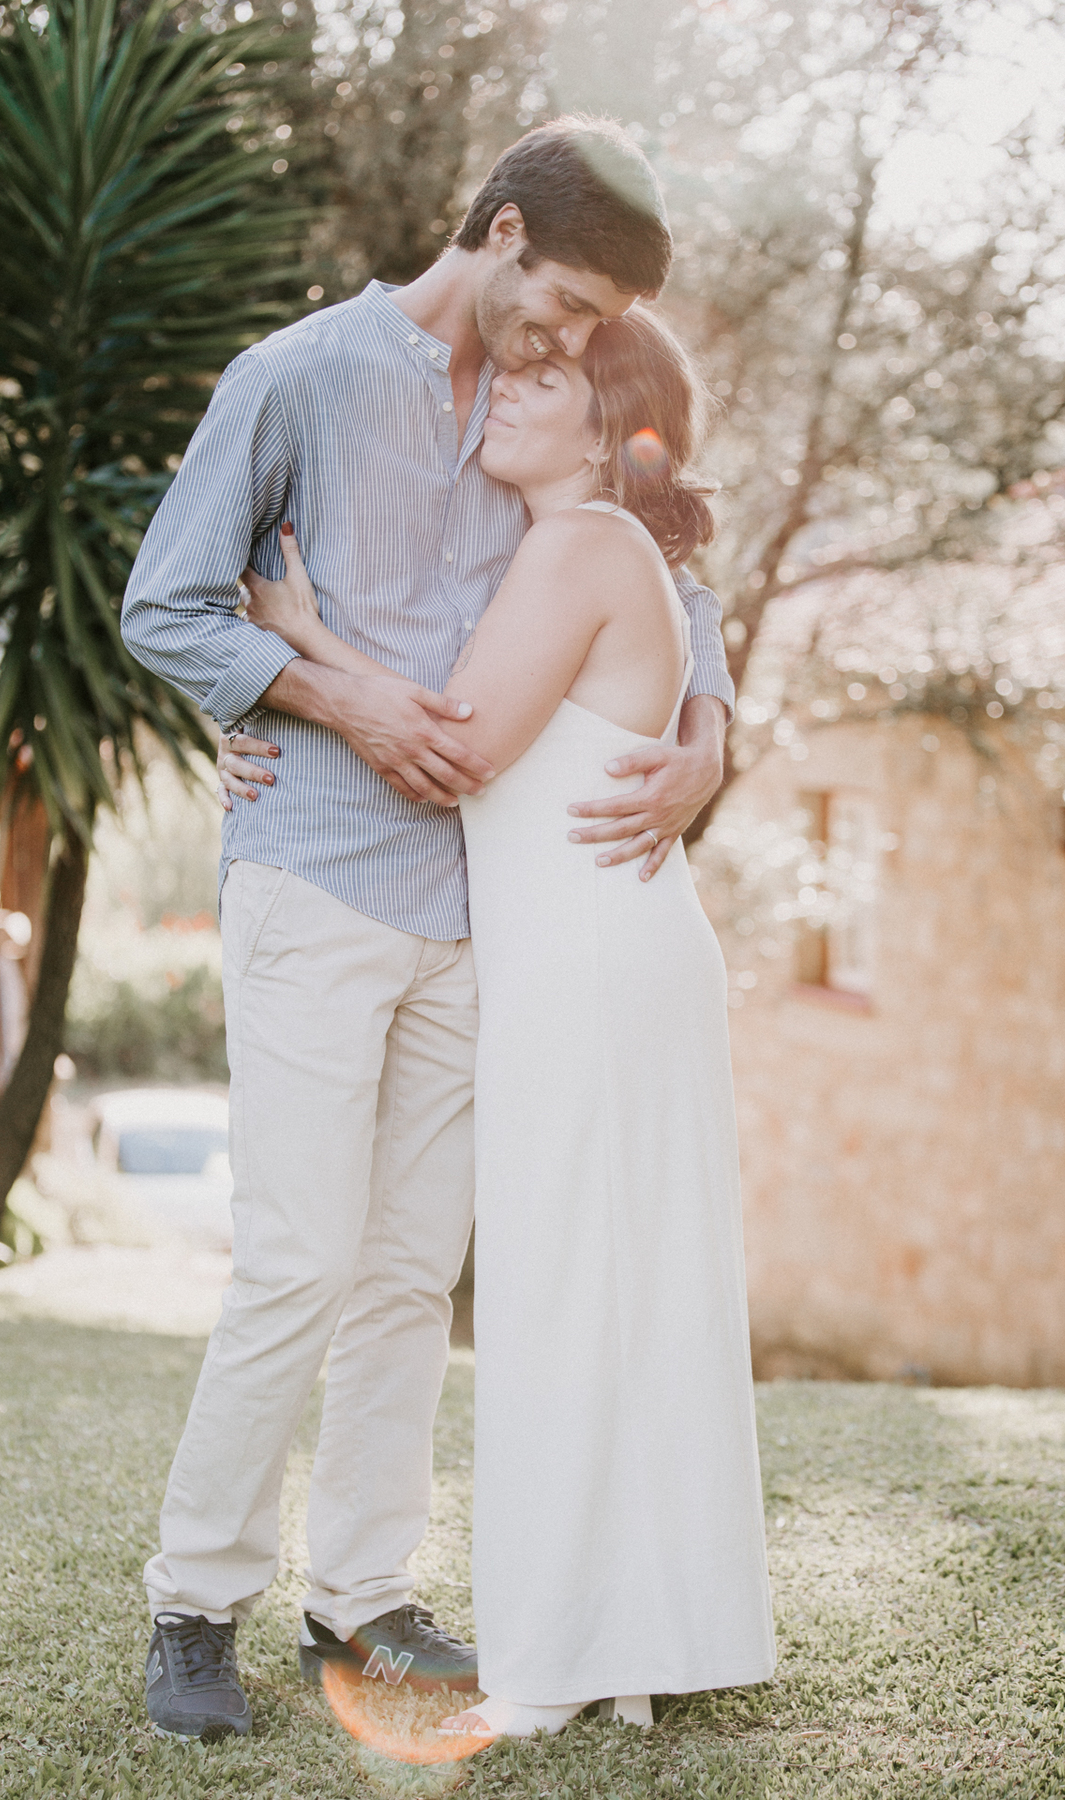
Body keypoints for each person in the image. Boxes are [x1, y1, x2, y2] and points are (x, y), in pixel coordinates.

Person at [120, 116, 737, 1742]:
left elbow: (664, 550)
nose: (569, 342)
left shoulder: (545, 406)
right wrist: (332, 697)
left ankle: (364, 1596)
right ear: (503, 229)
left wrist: (707, 725)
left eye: (597, 326)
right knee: (300, 1260)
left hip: (481, 914)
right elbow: (165, 602)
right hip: (319, 873)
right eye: (568, 303)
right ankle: (195, 1601)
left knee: (408, 1273)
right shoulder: (298, 380)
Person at [234, 307, 775, 1740]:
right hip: (587, 955)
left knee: (571, 1288)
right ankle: (633, 1635)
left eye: (545, 379)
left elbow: (457, 753)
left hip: (594, 962)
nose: (507, 393)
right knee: (603, 1286)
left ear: (606, 430)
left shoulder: (581, 543)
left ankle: (573, 1650)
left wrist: (300, 646)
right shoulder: (591, 547)